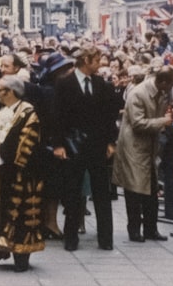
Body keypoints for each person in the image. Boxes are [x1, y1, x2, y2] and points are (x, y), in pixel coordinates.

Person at [51, 46, 122, 251]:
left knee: (102, 193)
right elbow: (57, 116)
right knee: (73, 193)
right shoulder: (64, 84)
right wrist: (58, 144)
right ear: (86, 61)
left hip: (98, 146)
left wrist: (110, 142)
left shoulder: (102, 85)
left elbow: (110, 117)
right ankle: (71, 238)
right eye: (97, 60)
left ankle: (106, 239)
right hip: (73, 145)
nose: (100, 64)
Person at [0, 75, 45, 272]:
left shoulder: (28, 114)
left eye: (0, 90)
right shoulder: (2, 112)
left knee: (20, 214)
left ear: (11, 92)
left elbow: (26, 145)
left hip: (20, 173)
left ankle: (21, 256)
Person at [113, 66, 173, 242]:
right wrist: (164, 121)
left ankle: (151, 228)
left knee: (151, 189)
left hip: (150, 145)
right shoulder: (139, 94)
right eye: (170, 84)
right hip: (134, 145)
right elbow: (138, 123)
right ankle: (134, 229)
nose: (171, 88)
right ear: (162, 82)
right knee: (134, 189)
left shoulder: (162, 93)